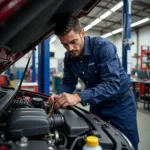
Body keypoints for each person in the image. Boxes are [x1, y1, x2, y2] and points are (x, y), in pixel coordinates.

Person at [49, 16, 139, 150]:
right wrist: (59, 96)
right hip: (97, 103)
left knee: (126, 144)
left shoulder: (103, 48)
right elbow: (68, 82)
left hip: (121, 104)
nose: (70, 48)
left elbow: (112, 84)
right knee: (97, 140)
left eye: (73, 41)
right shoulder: (69, 58)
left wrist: (78, 97)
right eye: (65, 44)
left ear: (82, 33)